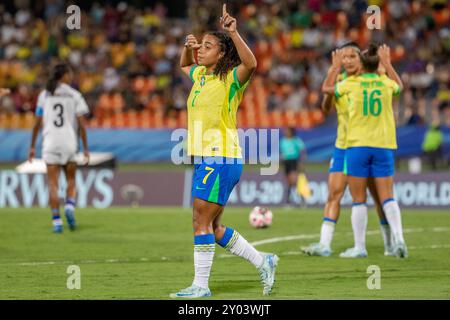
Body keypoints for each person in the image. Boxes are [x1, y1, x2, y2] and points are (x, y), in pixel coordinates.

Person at [170, 4, 278, 299]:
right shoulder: (201, 76)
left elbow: (253, 63)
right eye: (200, 45)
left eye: (207, 46)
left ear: (222, 54)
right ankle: (263, 261)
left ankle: (201, 286)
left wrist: (233, 32)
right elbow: (183, 67)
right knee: (214, 227)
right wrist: (185, 48)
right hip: (208, 157)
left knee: (199, 222)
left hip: (220, 156)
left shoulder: (231, 79)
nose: (200, 51)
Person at [302, 43, 394, 257]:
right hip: (343, 146)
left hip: (366, 144)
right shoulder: (341, 80)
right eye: (344, 57)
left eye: (352, 56)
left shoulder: (371, 78)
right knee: (334, 193)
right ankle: (325, 244)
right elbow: (326, 108)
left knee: (378, 196)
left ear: (360, 59)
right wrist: (332, 75)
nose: (347, 61)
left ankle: (390, 243)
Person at [328, 43, 408, 258]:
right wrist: (388, 64)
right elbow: (400, 86)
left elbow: (327, 91)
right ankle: (398, 240)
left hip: (357, 145)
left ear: (362, 64)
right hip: (383, 145)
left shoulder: (351, 84)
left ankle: (359, 247)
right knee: (387, 197)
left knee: (358, 199)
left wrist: (335, 68)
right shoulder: (385, 82)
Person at [29, 63, 90, 233]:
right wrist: (85, 148)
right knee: (71, 180)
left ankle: (57, 222)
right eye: (69, 74)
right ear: (63, 76)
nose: (71, 77)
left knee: (52, 184)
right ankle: (69, 206)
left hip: (50, 143)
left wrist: (32, 146)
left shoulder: (44, 95)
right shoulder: (75, 95)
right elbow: (82, 125)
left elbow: (36, 123)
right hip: (69, 142)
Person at [280, 127, 306, 205]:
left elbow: (302, 151)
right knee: (289, 183)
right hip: (286, 162)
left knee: (294, 181)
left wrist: (301, 162)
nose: (285, 132)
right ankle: (288, 201)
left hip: (294, 161)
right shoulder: (282, 141)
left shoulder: (296, 140)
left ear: (291, 132)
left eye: (287, 131)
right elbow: (282, 152)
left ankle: (301, 200)